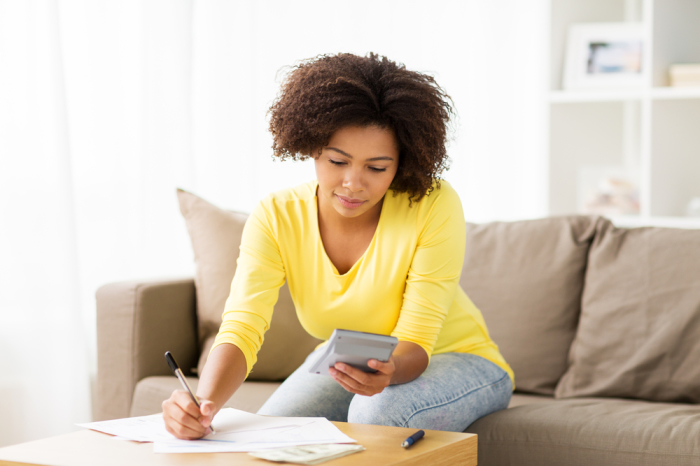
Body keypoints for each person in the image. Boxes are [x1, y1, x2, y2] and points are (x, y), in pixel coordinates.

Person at [162, 52, 514, 440]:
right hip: (349, 362)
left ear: (402, 163)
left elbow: (416, 340)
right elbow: (242, 327)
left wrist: (389, 371)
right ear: (312, 147)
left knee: (375, 410)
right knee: (270, 434)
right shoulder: (277, 216)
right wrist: (202, 406)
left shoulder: (431, 203)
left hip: (459, 360)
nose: (353, 183)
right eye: (337, 161)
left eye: (377, 168)